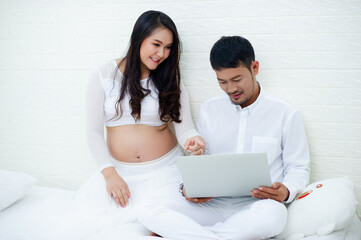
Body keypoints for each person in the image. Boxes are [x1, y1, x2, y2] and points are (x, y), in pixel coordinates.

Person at [138, 36, 310, 240]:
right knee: (147, 208)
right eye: (222, 81)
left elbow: (298, 167)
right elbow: (201, 161)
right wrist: (189, 188)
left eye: (237, 79)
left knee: (275, 216)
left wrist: (286, 191)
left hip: (256, 206)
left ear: (254, 67)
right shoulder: (209, 109)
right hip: (212, 204)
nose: (231, 89)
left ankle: (195, 235)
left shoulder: (285, 113)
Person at [59, 10, 205, 239]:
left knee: (158, 224)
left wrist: (194, 140)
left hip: (165, 171)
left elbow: (185, 127)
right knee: (96, 228)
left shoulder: (170, 78)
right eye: (156, 44)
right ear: (139, 38)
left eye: (168, 48)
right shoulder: (104, 75)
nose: (162, 54)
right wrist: (109, 174)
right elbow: (93, 132)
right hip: (120, 173)